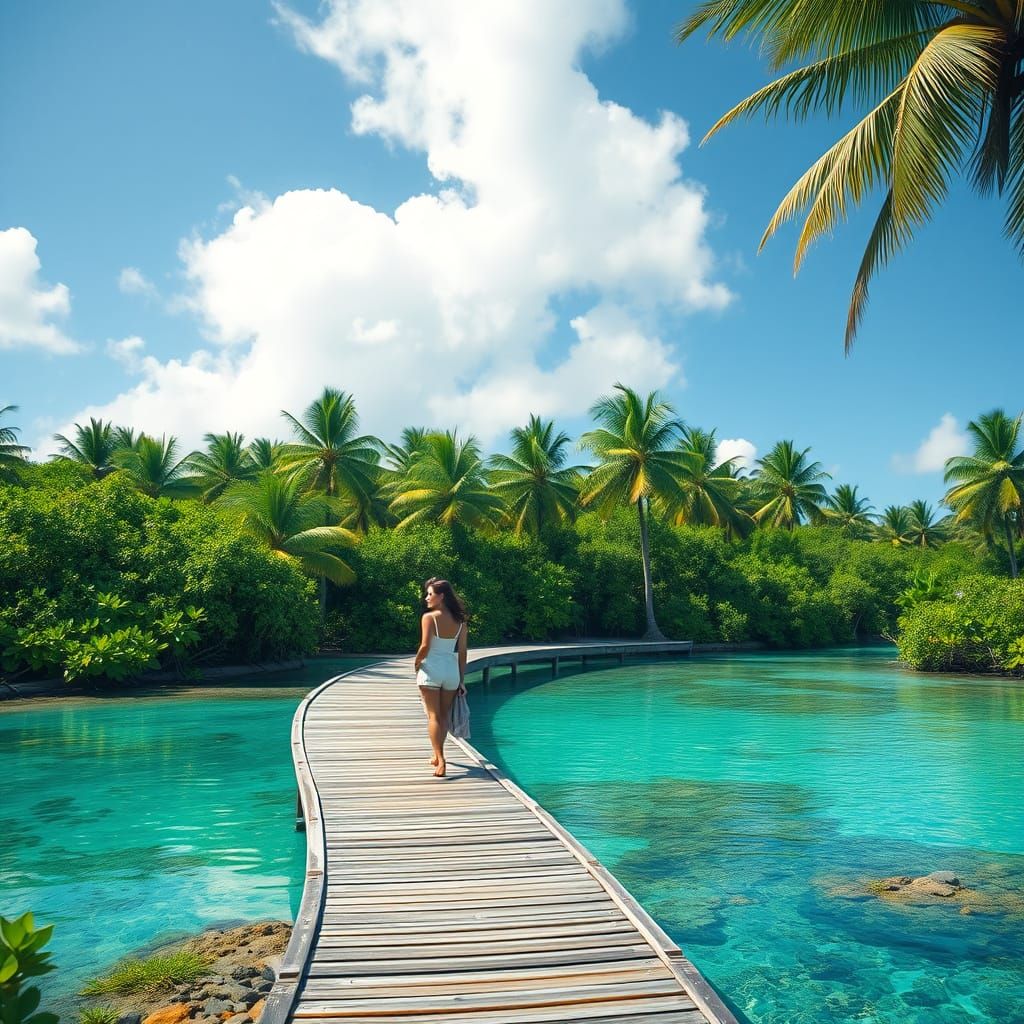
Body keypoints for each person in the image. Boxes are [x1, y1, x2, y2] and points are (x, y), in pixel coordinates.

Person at [414, 577, 468, 777]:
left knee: (433, 716)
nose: (426, 598)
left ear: (441, 596)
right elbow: (462, 652)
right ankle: (437, 757)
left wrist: (417, 663)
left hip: (432, 670)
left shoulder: (429, 618)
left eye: (430, 594)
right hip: (451, 672)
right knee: (443, 716)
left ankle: (441, 759)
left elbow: (425, 646)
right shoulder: (460, 621)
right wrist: (461, 679)